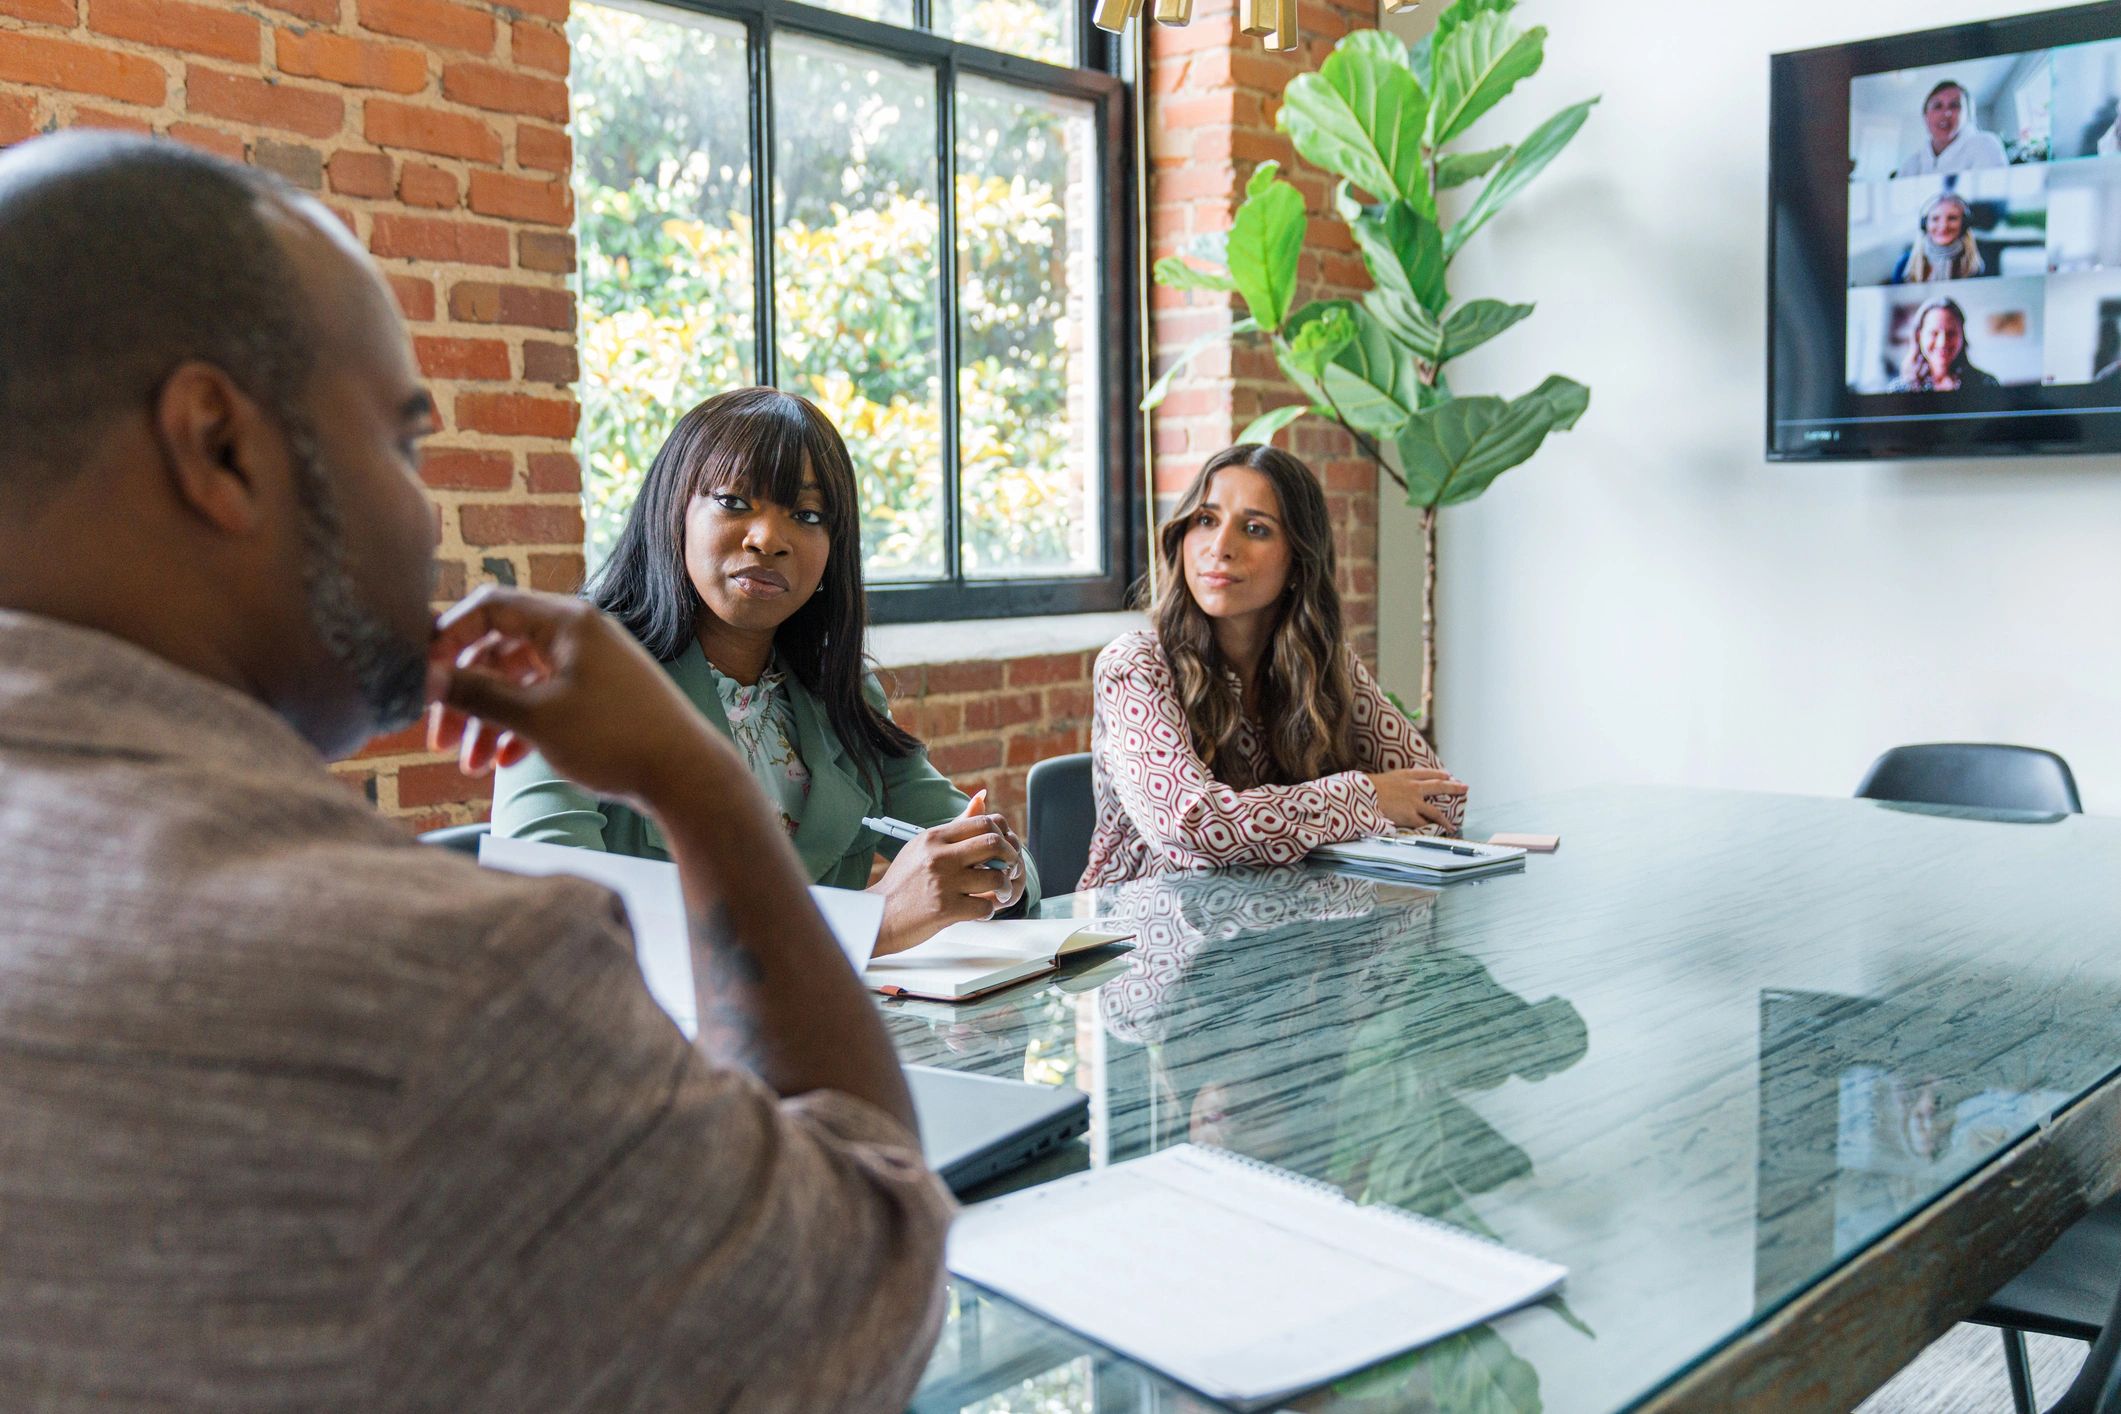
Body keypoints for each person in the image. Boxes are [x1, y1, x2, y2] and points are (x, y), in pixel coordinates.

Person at [0, 132, 950, 1408]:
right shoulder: (440, 983)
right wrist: (702, 784)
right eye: (404, 442)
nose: (427, 512)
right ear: (221, 449)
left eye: (810, 516)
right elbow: (862, 1290)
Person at [491, 388, 1037, 956]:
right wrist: (871, 921)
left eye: (806, 515)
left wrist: (998, 874)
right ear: (673, 509)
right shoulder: (570, 681)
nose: (768, 539)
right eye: (733, 502)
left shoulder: (841, 694)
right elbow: (555, 931)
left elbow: (1012, 866)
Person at [1080, 443, 1468, 889]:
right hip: (1141, 938)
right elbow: (1192, 827)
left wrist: (1286, 823)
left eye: (1255, 529)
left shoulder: (1327, 664)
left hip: (1292, 931)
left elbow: (1441, 799)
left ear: (1299, 562)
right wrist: (1369, 796)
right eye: (1206, 520)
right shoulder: (1135, 665)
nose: (1220, 547)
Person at [1893, 80, 2009, 177]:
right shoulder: (1909, 166)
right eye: (1937, 106)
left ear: (1967, 115)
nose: (1946, 113)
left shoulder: (1985, 145)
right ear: (1926, 116)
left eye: (1954, 106)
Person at [1887, 295, 2002, 392]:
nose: (1942, 343)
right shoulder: (1899, 390)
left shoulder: (1987, 384)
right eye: (1934, 333)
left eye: (1951, 333)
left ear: (1962, 336)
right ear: (1919, 336)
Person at [1893, 191, 1986, 283]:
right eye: (1935, 219)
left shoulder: (1976, 266)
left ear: (1964, 224)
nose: (1943, 226)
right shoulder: (1904, 264)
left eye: (1952, 218)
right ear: (1925, 224)